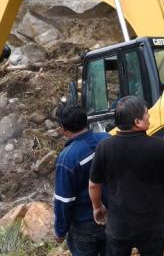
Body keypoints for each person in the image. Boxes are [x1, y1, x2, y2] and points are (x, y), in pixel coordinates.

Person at [89, 96, 164, 256]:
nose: (149, 116)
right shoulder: (158, 146)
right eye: (146, 113)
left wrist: (97, 207)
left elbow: (94, 184)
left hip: (119, 226)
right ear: (137, 122)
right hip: (152, 226)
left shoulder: (104, 147)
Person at [54, 103, 110, 256]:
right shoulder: (107, 140)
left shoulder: (67, 159)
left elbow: (64, 200)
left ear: (64, 129)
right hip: (113, 219)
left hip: (84, 226)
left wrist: (60, 231)